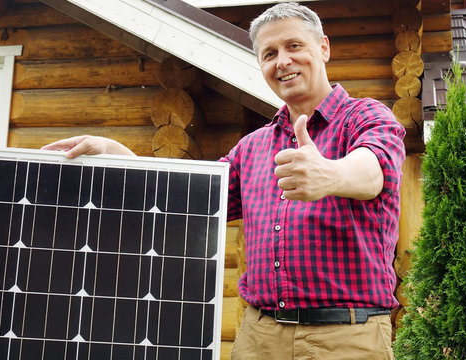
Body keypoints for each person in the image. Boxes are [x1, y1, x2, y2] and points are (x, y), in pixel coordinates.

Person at [43, 2, 406, 359]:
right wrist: (118, 153)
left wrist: (330, 174)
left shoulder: (366, 116)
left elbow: (375, 171)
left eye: (294, 46)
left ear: (323, 47)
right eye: (269, 53)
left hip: (346, 337)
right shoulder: (252, 147)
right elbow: (190, 197)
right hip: (259, 337)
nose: (282, 61)